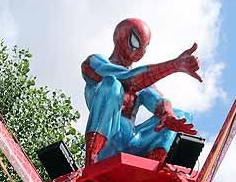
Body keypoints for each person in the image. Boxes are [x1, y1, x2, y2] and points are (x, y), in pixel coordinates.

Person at [81, 18, 200, 166]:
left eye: (145, 46)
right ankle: (92, 157)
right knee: (112, 85)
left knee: (181, 114)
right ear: (121, 37)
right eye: (136, 42)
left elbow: (158, 100)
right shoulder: (94, 63)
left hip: (133, 143)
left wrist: (168, 115)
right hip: (107, 145)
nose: (141, 51)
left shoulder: (142, 81)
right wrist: (174, 66)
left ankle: (154, 164)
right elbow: (128, 79)